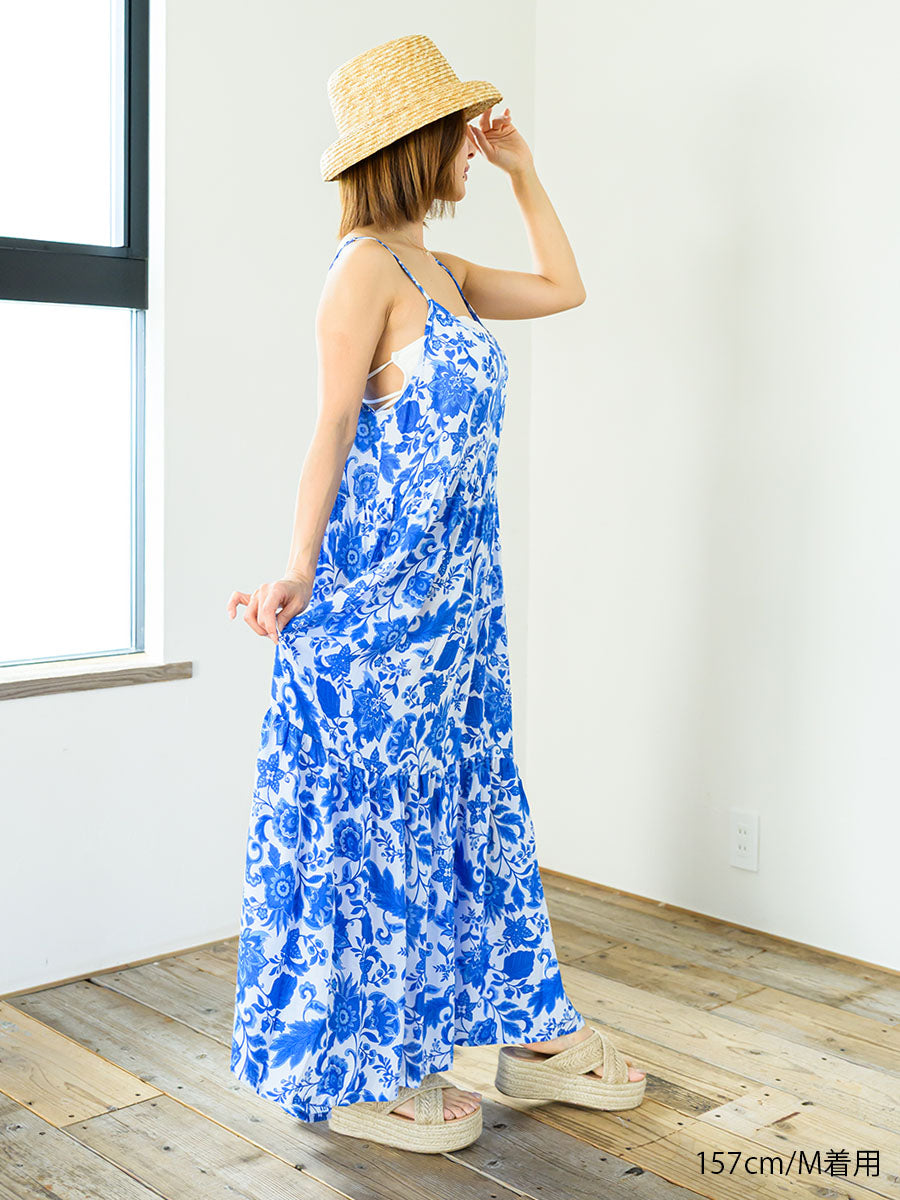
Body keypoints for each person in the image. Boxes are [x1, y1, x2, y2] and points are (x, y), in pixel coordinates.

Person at [226, 33, 646, 1154]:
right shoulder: (361, 270)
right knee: (379, 831)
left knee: (468, 814)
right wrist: (296, 569)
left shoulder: (440, 271)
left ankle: (529, 1035)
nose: (472, 141)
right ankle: (362, 1074)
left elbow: (565, 288)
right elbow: (330, 427)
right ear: (411, 145)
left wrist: (523, 172)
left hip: (458, 613)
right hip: (381, 612)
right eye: (458, 130)